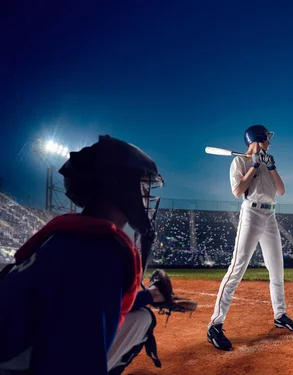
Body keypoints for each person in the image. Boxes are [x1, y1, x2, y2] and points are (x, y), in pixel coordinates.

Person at [0, 135, 196, 375]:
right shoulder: (101, 251)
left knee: (142, 315)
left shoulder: (65, 237)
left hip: (14, 349)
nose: (146, 194)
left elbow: (77, 298)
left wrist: (150, 296)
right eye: (143, 184)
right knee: (142, 321)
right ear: (119, 184)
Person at [206, 124, 293, 351]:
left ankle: (280, 315)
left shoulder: (268, 160)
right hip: (251, 213)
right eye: (266, 137)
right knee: (237, 268)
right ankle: (215, 325)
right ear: (258, 138)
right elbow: (238, 191)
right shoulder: (239, 162)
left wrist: (272, 167)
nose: (269, 141)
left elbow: (281, 191)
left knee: (277, 270)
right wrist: (254, 167)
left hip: (270, 216)